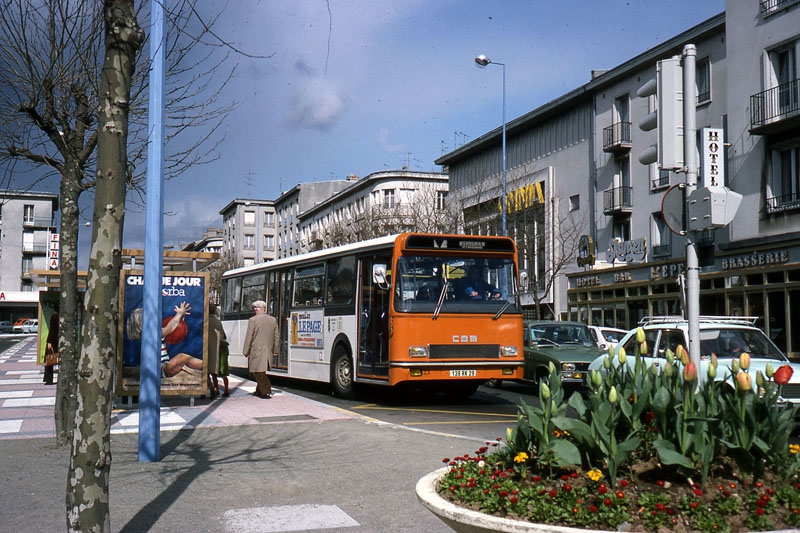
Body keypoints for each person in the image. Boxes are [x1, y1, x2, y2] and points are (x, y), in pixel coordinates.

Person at [126, 302, 203, 378]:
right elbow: (170, 328)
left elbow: (176, 328)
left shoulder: (153, 334)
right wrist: (179, 314)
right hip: (160, 370)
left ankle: (204, 365)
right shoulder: (150, 336)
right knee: (182, 357)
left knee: (187, 358)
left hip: (164, 367)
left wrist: (181, 316)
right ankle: (204, 365)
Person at [242, 299, 280, 399]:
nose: (254, 309)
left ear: (258, 309)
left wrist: (246, 351)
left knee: (258, 372)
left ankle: (266, 391)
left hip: (257, 350)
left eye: (255, 308)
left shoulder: (253, 320)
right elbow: (276, 336)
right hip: (268, 350)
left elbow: (249, 336)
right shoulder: (273, 320)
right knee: (261, 371)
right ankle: (259, 391)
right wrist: (276, 350)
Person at [207, 302, 229, 397]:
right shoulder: (217, 321)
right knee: (218, 370)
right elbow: (223, 335)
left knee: (206, 371)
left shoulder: (204, 321)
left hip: (206, 348)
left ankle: (212, 388)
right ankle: (223, 389)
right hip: (218, 348)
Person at [44, 310, 58, 385]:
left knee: (49, 360)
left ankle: (48, 379)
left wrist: (49, 341)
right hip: (61, 340)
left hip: (54, 341)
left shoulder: (54, 317)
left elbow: (52, 330)